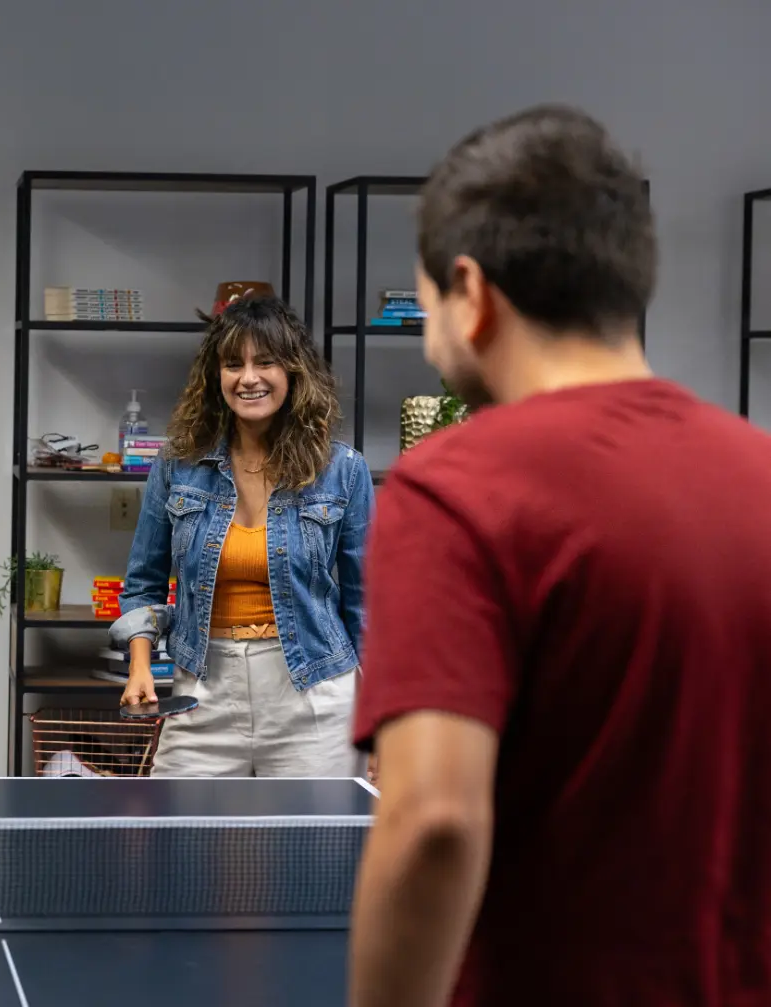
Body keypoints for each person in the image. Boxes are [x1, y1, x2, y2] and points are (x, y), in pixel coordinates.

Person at [348, 104, 771, 1007]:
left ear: (471, 291)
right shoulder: (763, 473)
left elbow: (433, 821)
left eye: (426, 307)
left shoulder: (454, 487)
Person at [110, 295, 374, 777]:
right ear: (217, 377)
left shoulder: (343, 471)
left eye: (265, 362)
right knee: (180, 845)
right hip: (202, 689)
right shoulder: (176, 466)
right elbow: (142, 585)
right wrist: (140, 666)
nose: (248, 378)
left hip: (314, 693)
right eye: (233, 364)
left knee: (314, 852)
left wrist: (384, 718)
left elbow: (367, 605)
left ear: (294, 372)